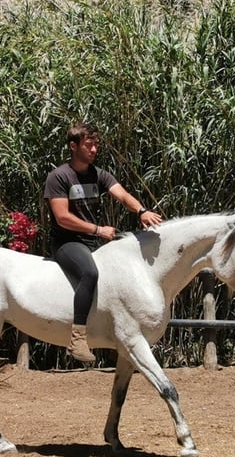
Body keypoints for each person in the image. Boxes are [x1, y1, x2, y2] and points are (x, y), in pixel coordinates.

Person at [43, 122, 162, 363]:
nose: (95, 149)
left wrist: (141, 211)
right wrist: (98, 230)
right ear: (73, 146)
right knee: (89, 273)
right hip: (69, 242)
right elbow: (62, 218)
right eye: (89, 145)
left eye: (96, 144)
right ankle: (77, 339)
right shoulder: (59, 177)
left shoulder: (99, 174)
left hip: (96, 241)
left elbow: (123, 195)